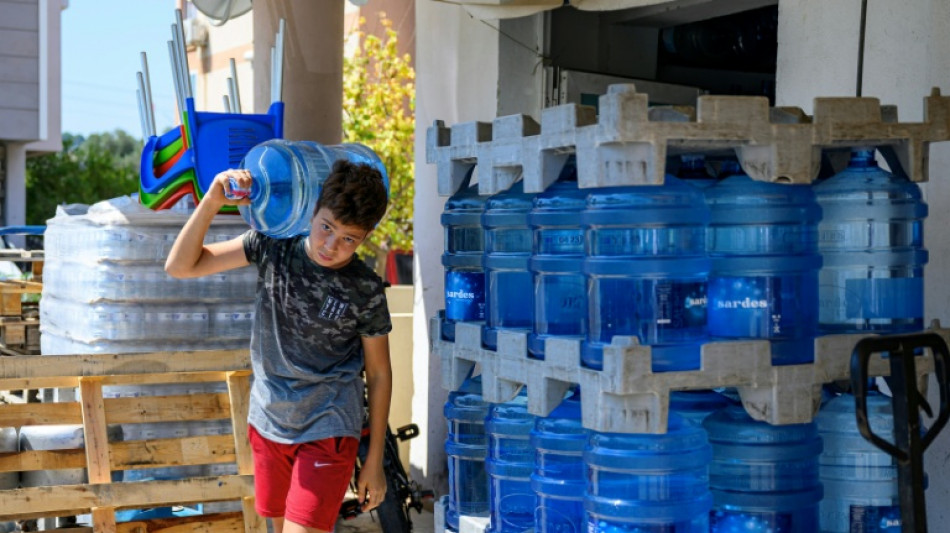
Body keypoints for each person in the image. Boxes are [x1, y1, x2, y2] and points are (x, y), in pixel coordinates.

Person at [165, 161, 393, 533]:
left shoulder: (364, 288)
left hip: (329, 423)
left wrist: (375, 460)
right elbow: (180, 266)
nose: (331, 245)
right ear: (313, 210)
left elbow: (380, 373)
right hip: (269, 420)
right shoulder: (273, 246)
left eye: (349, 238)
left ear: (366, 236)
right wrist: (210, 202)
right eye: (326, 228)